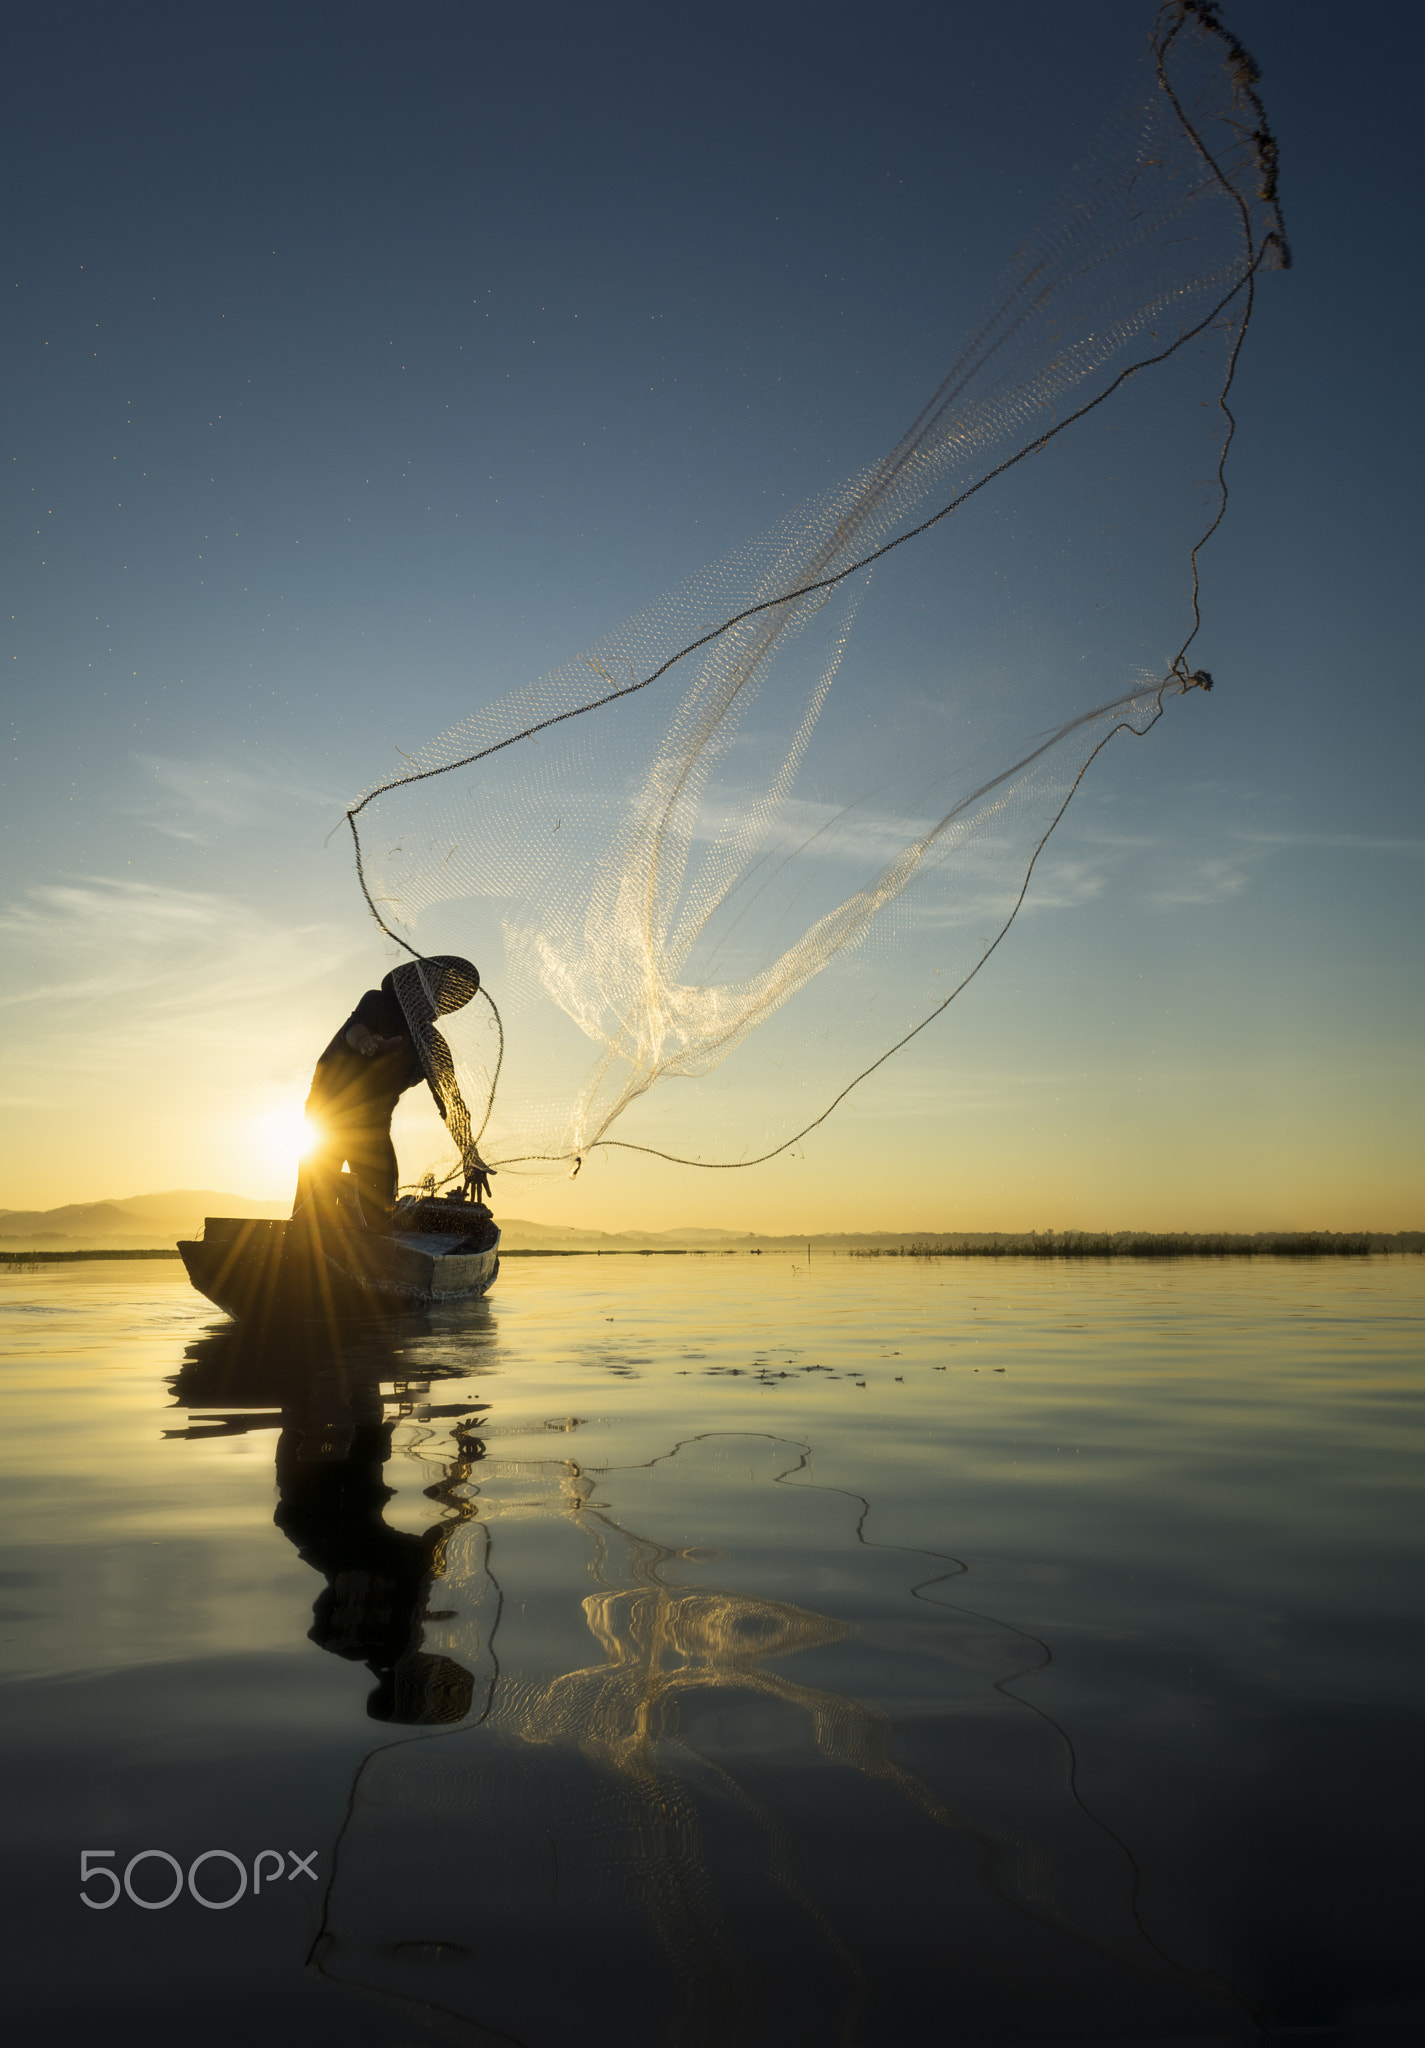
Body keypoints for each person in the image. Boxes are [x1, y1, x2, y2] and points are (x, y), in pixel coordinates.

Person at [294, 954, 491, 1226]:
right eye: (428, 985)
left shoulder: (432, 1045)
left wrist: (471, 1156)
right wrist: (365, 1042)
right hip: (327, 1116)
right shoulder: (378, 1002)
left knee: (380, 1206)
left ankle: (373, 1250)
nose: (432, 995)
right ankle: (305, 1247)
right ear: (411, 986)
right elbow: (354, 1028)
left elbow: (453, 1105)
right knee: (313, 1200)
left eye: (440, 991)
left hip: (373, 1127)